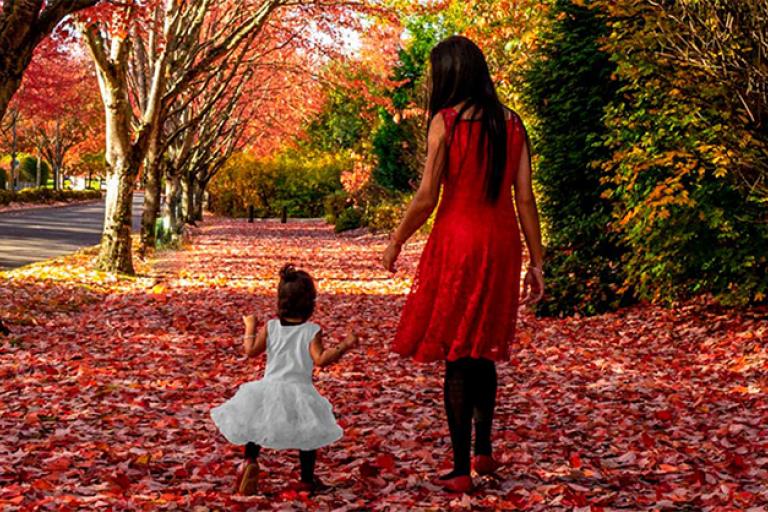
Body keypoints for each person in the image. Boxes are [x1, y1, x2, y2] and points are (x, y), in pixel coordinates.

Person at [382, 35, 545, 493]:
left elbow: (427, 197)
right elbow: (526, 198)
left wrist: (396, 241)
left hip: (457, 241)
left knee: (457, 350)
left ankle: (458, 469)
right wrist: (537, 260)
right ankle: (484, 450)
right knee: (484, 345)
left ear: (452, 74)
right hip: (500, 243)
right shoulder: (513, 124)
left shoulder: (446, 122)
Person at [211, 264, 358, 495]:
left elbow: (250, 351)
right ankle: (307, 480)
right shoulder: (311, 330)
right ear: (310, 303)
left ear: (280, 301)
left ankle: (249, 462)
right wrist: (345, 346)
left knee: (256, 425)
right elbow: (320, 359)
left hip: (269, 387)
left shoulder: (271, 328)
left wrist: (250, 327)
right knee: (309, 434)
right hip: (299, 390)